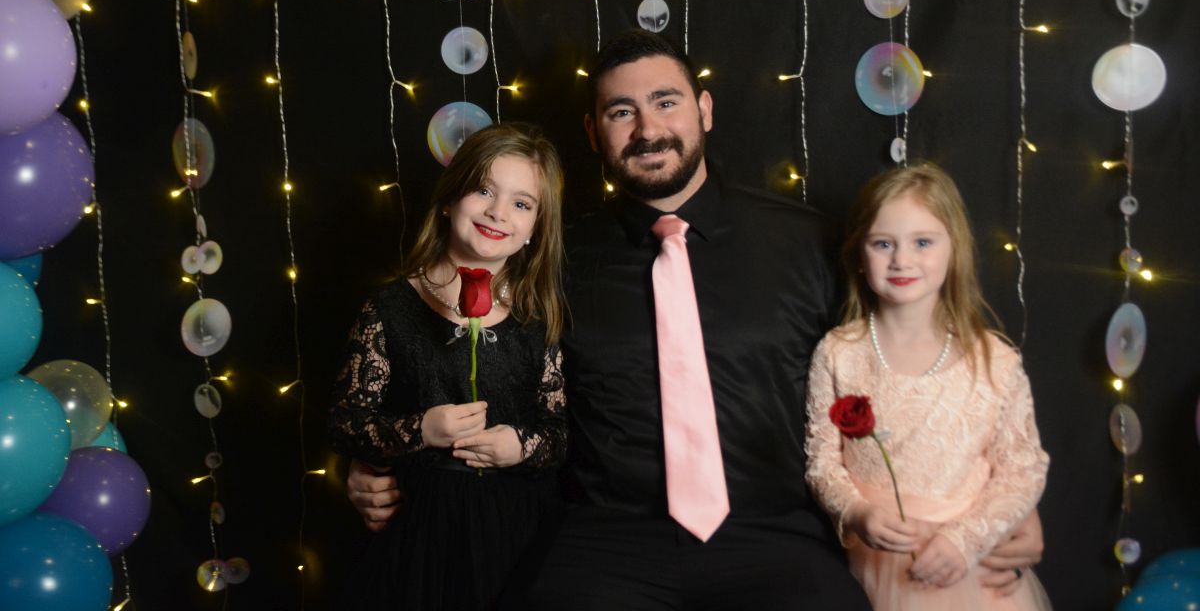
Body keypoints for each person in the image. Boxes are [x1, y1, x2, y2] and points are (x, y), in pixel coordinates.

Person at [344, 30, 1047, 606]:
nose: (648, 128)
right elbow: (470, 363)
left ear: (704, 110)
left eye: (666, 102)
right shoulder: (553, 259)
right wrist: (375, 462)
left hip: (776, 533)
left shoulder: (807, 243)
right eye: (622, 112)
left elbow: (901, 361)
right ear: (593, 132)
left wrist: (1003, 508)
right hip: (609, 537)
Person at [328, 122, 568, 610]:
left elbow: (560, 433)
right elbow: (346, 423)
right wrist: (422, 429)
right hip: (420, 535)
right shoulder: (390, 310)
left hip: (516, 535)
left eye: (522, 204)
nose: (498, 212)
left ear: (534, 231)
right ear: (449, 200)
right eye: (484, 191)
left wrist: (520, 445)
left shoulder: (536, 321)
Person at [804, 163, 1052, 609]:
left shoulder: (995, 361)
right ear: (860, 253)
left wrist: (966, 540)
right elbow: (822, 463)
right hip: (875, 568)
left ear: (954, 249)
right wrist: (857, 512)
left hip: (966, 565)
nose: (901, 260)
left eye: (922, 242)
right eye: (883, 244)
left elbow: (1023, 469)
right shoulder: (839, 353)